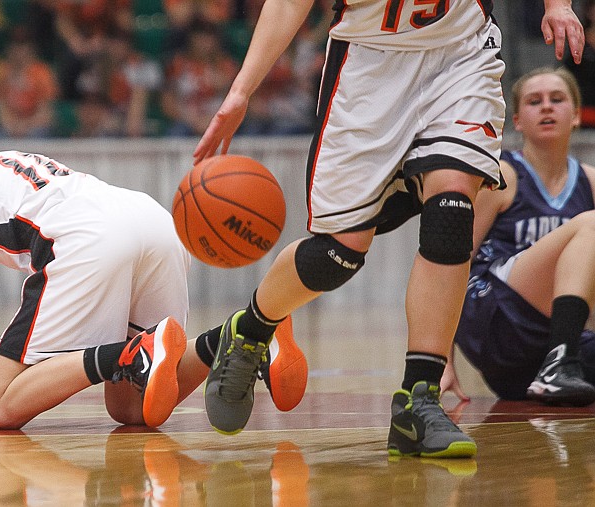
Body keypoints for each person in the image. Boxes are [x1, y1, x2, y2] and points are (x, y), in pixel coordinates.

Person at [192, 0, 585, 458]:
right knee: (338, 254)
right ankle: (252, 328)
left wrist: (558, 5)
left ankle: (418, 400)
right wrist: (242, 90)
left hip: (461, 52)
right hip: (368, 67)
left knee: (453, 206)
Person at [0, 103, 303, 430]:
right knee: (131, 411)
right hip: (152, 222)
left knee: (0, 409)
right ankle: (242, 333)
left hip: (87, 238)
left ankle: (130, 354)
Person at [442, 67, 595, 407]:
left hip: (537, 350)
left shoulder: (588, 181)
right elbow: (450, 261)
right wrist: (441, 360)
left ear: (575, 115)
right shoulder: (500, 177)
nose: (546, 107)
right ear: (517, 120)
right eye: (534, 101)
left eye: (557, 100)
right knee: (591, 225)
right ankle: (561, 361)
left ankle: (559, 362)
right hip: (494, 319)